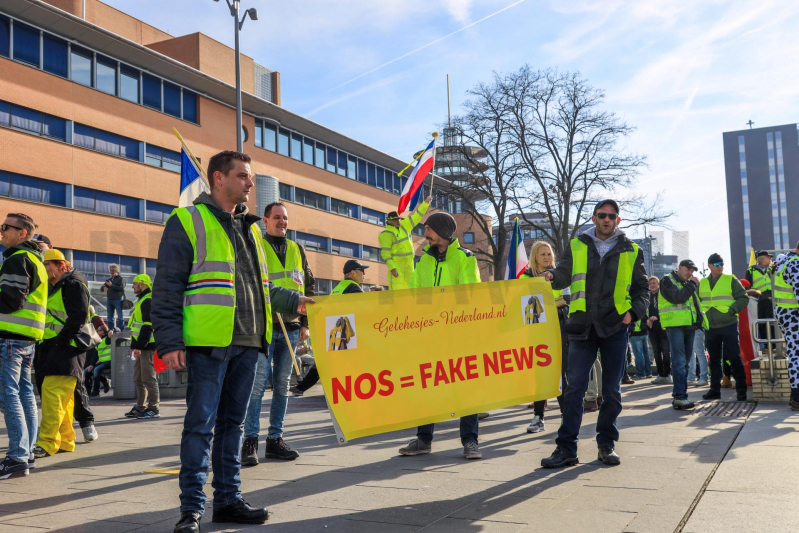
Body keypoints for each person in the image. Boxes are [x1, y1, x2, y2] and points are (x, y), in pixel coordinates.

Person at [152, 150, 314, 533]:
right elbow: (167, 287)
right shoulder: (187, 220)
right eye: (242, 175)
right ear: (218, 179)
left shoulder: (252, 229)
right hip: (209, 343)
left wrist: (297, 301)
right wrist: (170, 341)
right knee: (200, 426)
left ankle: (227, 500)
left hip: (250, 341)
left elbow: (263, 287)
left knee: (234, 426)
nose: (250, 182)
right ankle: (191, 509)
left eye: (251, 177)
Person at [539, 199, 649, 468]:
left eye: (611, 216)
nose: (606, 219)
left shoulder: (632, 250)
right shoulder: (578, 244)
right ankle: (566, 449)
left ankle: (606, 445)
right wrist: (552, 275)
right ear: (594, 217)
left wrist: (633, 313)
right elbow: (564, 273)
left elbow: (642, 290)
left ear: (618, 220)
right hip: (582, 325)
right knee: (574, 389)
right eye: (602, 215)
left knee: (611, 391)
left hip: (615, 327)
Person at [398, 212, 482, 460]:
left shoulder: (465, 258)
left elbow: (468, 295)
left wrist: (441, 310)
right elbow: (415, 295)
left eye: (429, 229)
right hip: (430, 334)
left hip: (459, 333)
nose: (426, 234)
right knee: (427, 385)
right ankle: (423, 440)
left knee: (466, 386)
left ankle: (470, 441)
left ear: (444, 231)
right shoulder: (423, 261)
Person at [241, 202, 315, 467]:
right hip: (264, 326)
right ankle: (250, 440)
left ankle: (275, 439)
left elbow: (308, 284)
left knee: (283, 386)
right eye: (277, 217)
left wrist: (306, 323)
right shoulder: (255, 245)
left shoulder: (297, 249)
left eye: (285, 218)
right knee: (258, 384)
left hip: (292, 327)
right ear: (265, 220)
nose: (282, 221)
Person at [0, 213, 46, 480]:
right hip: (27, 337)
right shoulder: (36, 260)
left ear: (22, 234)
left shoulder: (17, 259)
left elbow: (10, 300)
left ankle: (16, 457)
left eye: (6, 227)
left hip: (9, 336)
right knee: (25, 393)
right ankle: (26, 453)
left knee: (8, 394)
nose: (2, 231)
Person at [33, 249, 91, 458]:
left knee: (52, 396)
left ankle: (47, 442)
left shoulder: (73, 284)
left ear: (60, 265)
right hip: (57, 347)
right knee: (62, 400)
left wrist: (61, 341)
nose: (45, 269)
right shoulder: (59, 284)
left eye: (47, 265)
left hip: (64, 348)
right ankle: (65, 440)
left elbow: (79, 316)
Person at [290, 260, 369, 397]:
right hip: (346, 333)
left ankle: (301, 387)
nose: (364, 274)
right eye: (361, 271)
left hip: (335, 331)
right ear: (352, 273)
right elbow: (362, 312)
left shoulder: (339, 287)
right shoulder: (354, 288)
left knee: (325, 362)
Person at [520, 241, 569, 434]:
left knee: (560, 375)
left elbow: (568, 300)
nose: (547, 258)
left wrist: (548, 304)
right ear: (534, 257)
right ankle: (538, 417)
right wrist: (552, 304)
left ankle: (567, 417)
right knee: (541, 376)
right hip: (537, 332)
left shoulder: (559, 276)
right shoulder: (525, 277)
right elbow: (525, 306)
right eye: (542, 254)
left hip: (559, 330)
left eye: (549, 254)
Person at [699, 254, 749, 402]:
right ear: (709, 265)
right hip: (710, 326)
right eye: (716, 263)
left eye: (721, 263)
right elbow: (696, 302)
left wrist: (731, 310)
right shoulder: (701, 283)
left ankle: (741, 390)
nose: (719, 266)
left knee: (734, 357)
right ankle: (714, 390)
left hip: (728, 324)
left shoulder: (730, 280)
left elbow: (743, 298)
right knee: (714, 360)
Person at [658, 259, 705, 410]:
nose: (690, 273)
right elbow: (678, 298)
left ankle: (681, 396)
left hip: (689, 326)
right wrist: (692, 284)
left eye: (692, 271)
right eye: (688, 269)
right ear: (680, 268)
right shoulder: (667, 280)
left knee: (684, 363)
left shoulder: (686, 284)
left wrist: (698, 321)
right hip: (675, 326)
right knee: (679, 362)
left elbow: (693, 304)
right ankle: (680, 397)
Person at [124, 274, 159, 419]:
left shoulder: (147, 300)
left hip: (147, 346)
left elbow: (147, 326)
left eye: (134, 283)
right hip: (141, 346)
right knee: (138, 378)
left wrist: (139, 346)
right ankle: (140, 407)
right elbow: (135, 328)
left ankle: (154, 408)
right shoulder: (141, 300)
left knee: (148, 378)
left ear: (142, 284)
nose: (132, 286)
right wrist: (134, 346)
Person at [379, 195, 431, 290]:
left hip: (409, 263)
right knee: (397, 291)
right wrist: (392, 268)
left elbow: (417, 216)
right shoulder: (385, 234)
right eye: (395, 220)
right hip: (397, 265)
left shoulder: (405, 225)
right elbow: (385, 253)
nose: (398, 221)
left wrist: (426, 203)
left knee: (412, 289)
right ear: (389, 221)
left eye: (398, 219)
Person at [772, 241, 799, 410]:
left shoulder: (785, 261)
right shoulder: (796, 264)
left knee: (794, 353)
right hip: (794, 316)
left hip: (784, 314)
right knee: (796, 355)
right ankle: (796, 396)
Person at [746, 250, 776, 352]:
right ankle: (766, 346)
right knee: (762, 323)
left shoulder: (773, 269)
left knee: (774, 322)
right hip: (759, 301)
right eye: (769, 257)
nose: (771, 259)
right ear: (762, 258)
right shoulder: (751, 271)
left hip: (773, 300)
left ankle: (775, 345)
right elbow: (747, 288)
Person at [647, 276, 672, 385]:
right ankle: (660, 374)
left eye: (654, 283)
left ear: (658, 284)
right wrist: (647, 320)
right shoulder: (647, 296)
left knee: (666, 352)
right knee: (656, 352)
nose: (652, 285)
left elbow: (667, 309)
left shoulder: (663, 294)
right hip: (652, 328)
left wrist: (658, 317)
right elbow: (643, 311)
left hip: (663, 327)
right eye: (650, 283)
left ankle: (667, 374)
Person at [85, 326, 113, 397]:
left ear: (103, 332)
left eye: (99, 330)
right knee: (86, 372)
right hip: (101, 362)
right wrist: (91, 364)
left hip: (109, 361)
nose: (97, 332)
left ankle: (96, 391)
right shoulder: (98, 341)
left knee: (96, 370)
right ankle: (88, 392)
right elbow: (95, 355)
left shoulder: (107, 338)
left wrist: (111, 330)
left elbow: (116, 329)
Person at [100, 263, 125, 331]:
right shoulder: (109, 279)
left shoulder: (120, 279)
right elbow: (101, 288)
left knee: (120, 316)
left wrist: (111, 285)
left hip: (118, 299)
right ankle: (110, 330)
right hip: (110, 299)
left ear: (117, 270)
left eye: (113, 270)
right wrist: (104, 287)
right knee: (109, 317)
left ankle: (121, 329)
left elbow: (121, 288)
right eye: (110, 270)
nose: (111, 272)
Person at [629, 311, 652, 379]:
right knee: (646, 354)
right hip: (645, 332)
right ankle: (648, 372)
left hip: (635, 333)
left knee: (639, 354)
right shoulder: (643, 305)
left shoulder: (633, 306)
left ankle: (641, 373)